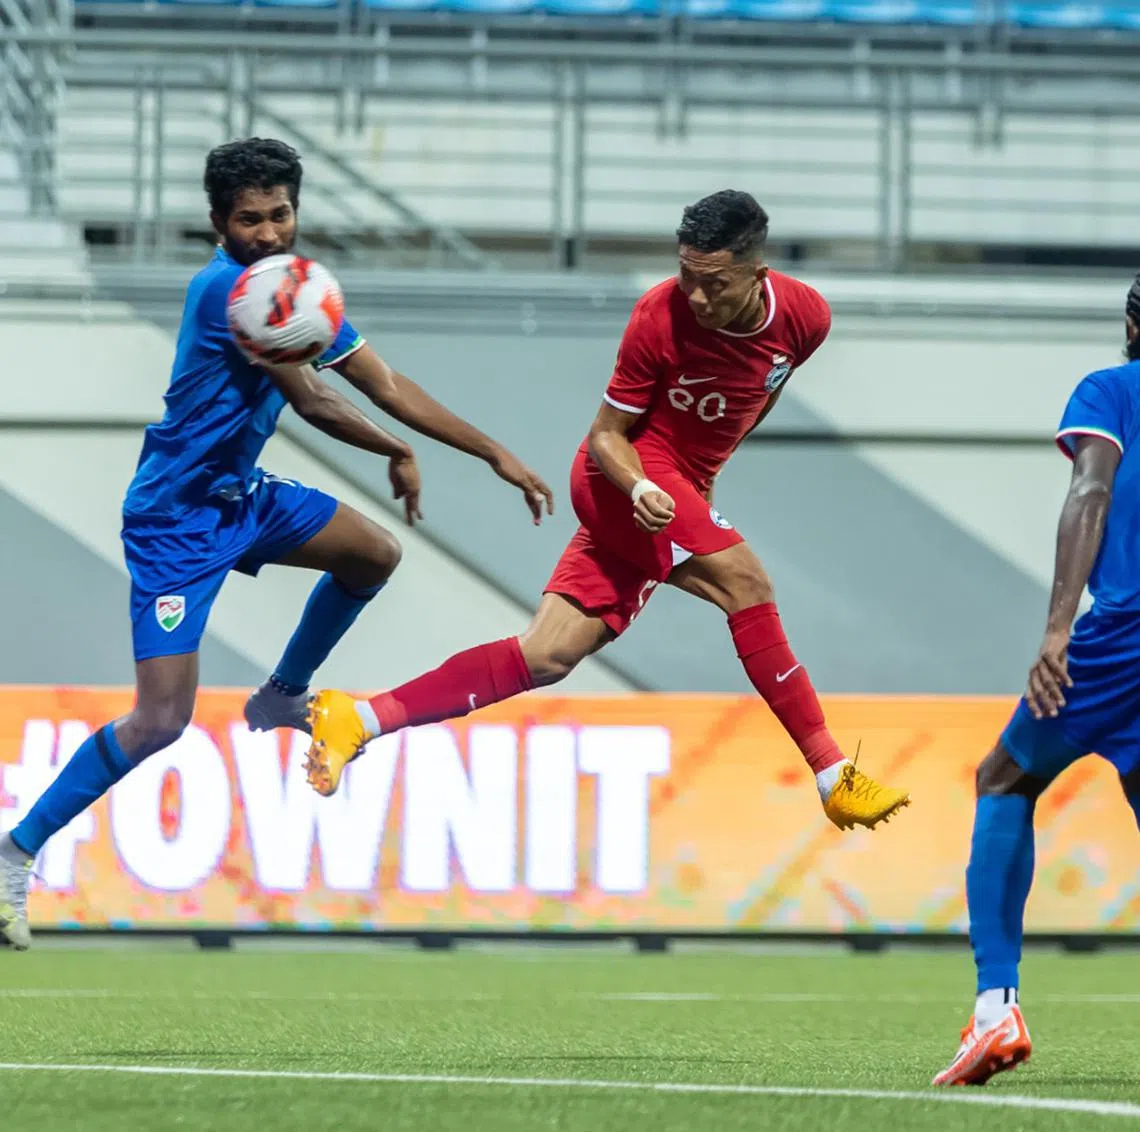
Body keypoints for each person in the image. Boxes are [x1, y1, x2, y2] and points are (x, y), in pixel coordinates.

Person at [0, 137, 551, 951]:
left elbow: (385, 383)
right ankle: (16, 850)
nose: (267, 231)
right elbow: (319, 402)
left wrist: (491, 450)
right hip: (176, 519)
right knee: (160, 721)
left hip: (242, 500)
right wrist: (396, 451)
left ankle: (284, 694)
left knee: (374, 554)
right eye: (249, 219)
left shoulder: (295, 290)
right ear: (219, 223)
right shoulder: (231, 292)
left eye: (280, 214)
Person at [304, 190, 910, 835]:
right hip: (621, 479)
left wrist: (697, 488)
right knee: (747, 583)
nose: (698, 298)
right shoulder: (657, 316)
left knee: (547, 655)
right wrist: (648, 489)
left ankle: (358, 719)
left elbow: (753, 397)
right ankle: (830, 773)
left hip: (679, 492)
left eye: (714, 285)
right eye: (687, 277)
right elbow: (606, 436)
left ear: (757, 275)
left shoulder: (807, 319)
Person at [932, 274, 1140, 1087]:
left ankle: (995, 1009)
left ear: (1131, 321)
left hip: (1124, 636)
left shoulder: (1111, 389)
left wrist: (1058, 629)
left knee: (1005, 777)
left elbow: (1091, 488)